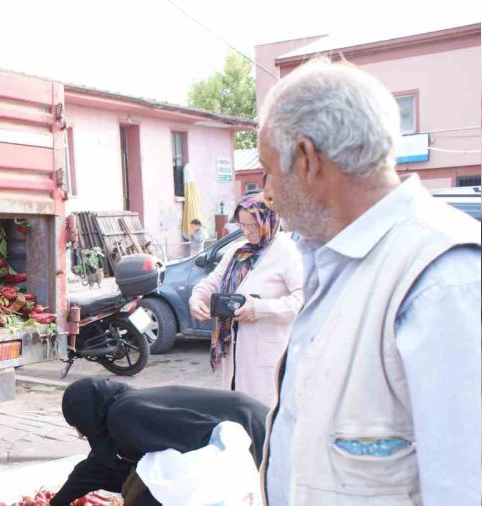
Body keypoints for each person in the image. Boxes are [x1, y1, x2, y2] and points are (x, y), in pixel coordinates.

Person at [259, 59, 481, 506]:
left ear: (308, 160)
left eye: (269, 172)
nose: (268, 193)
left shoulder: (444, 281)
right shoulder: (337, 261)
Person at [49, 378, 268, 506]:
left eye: (78, 424)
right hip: (243, 425)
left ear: (86, 413)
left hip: (248, 429)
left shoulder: (123, 414)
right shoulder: (123, 409)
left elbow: (201, 440)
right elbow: (94, 469)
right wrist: (57, 502)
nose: (81, 433)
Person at [189, 193, 303, 407]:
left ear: (269, 220)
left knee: (262, 413)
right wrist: (197, 299)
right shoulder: (238, 252)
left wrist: (259, 308)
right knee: (237, 410)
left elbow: (301, 301)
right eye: (242, 225)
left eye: (253, 225)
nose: (247, 231)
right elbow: (212, 282)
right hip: (234, 353)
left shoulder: (287, 253)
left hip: (267, 356)